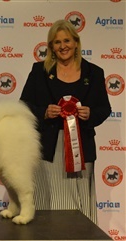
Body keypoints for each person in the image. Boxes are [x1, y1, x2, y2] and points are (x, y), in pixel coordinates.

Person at [20, 19, 111, 224]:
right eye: (57, 42)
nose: (63, 46)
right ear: (51, 46)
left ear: (76, 42)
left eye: (67, 40)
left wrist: (90, 114)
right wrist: (44, 112)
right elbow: (23, 106)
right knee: (48, 201)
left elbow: (104, 109)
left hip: (82, 149)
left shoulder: (95, 73)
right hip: (48, 150)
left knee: (79, 205)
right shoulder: (39, 72)